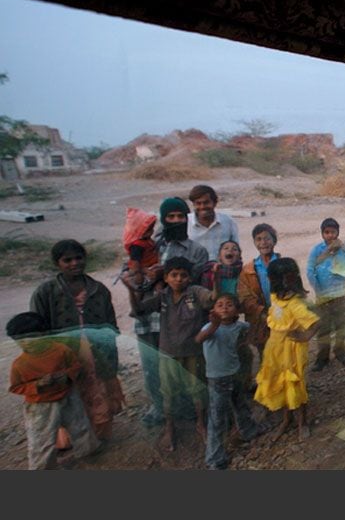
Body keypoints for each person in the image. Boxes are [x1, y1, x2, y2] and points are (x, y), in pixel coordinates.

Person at [120, 197, 209, 428]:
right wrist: (147, 276)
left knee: (184, 365)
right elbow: (128, 273)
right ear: (163, 218)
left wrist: (165, 276)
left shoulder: (196, 250)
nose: (176, 221)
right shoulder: (147, 244)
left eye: (181, 216)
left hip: (180, 320)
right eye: (171, 217)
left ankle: (189, 408)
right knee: (152, 365)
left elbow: (195, 282)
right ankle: (159, 407)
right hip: (148, 316)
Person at [30, 239, 124, 444]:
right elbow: (37, 329)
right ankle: (72, 440)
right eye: (67, 260)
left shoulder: (98, 290)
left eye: (78, 258)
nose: (74, 263)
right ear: (57, 263)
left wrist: (109, 356)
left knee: (97, 390)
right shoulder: (46, 292)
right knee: (69, 394)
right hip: (63, 355)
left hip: (95, 352)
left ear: (86, 259)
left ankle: (99, 436)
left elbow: (110, 327)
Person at [125, 256, 214, 452]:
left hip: (193, 353)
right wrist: (132, 290)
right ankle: (170, 428)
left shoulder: (195, 292)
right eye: (174, 275)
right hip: (168, 354)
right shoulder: (163, 296)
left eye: (183, 275)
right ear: (166, 278)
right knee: (168, 393)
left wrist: (217, 277)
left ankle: (201, 424)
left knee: (198, 390)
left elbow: (211, 299)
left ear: (190, 278)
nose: (179, 279)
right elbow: (139, 309)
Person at [7, 312, 101, 470]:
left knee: (80, 426)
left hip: (68, 396)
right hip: (40, 405)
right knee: (42, 439)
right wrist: (37, 385)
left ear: (44, 335)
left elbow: (76, 366)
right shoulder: (19, 365)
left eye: (31, 338)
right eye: (20, 341)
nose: (26, 343)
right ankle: (43, 467)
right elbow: (16, 387)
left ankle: (89, 451)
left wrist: (67, 375)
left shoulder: (61, 350)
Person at [253, 257, 320, 441]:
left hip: (290, 353)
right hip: (274, 351)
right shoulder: (275, 298)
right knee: (280, 384)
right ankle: (286, 419)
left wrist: (305, 337)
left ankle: (302, 422)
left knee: (295, 385)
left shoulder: (295, 304)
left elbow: (314, 322)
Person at [195, 294, 265, 470]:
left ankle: (248, 430)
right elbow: (199, 339)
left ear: (237, 311)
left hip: (235, 374)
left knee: (240, 404)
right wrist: (214, 324)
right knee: (217, 418)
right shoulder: (210, 328)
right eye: (220, 305)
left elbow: (250, 330)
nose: (224, 308)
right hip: (217, 379)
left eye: (229, 305)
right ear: (213, 311)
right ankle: (214, 458)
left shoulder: (240, 326)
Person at [306, 217, 345, 370]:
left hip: (340, 296)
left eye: (333, 232)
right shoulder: (316, 250)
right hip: (323, 298)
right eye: (327, 232)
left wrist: (337, 253)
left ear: (338, 233)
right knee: (324, 328)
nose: (330, 235)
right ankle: (322, 358)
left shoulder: (344, 249)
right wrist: (318, 291)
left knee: (341, 326)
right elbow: (310, 270)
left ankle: (340, 353)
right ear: (322, 234)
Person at [237, 223, 280, 384]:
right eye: (259, 239)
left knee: (284, 351)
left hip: (282, 317)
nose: (263, 242)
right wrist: (262, 312)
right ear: (254, 243)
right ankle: (268, 388)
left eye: (267, 238)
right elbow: (245, 296)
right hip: (260, 319)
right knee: (264, 351)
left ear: (274, 241)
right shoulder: (248, 269)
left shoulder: (284, 263)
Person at [187, 184, 240, 262]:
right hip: (194, 271)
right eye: (198, 203)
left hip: (223, 271)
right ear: (193, 205)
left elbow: (236, 250)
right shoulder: (186, 222)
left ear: (215, 203)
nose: (202, 207)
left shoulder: (228, 222)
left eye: (206, 202)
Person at [122, 207, 160, 288]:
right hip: (142, 269)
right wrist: (139, 273)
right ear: (138, 230)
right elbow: (135, 263)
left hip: (151, 266)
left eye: (152, 228)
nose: (152, 231)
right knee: (140, 289)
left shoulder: (146, 240)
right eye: (148, 230)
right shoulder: (137, 246)